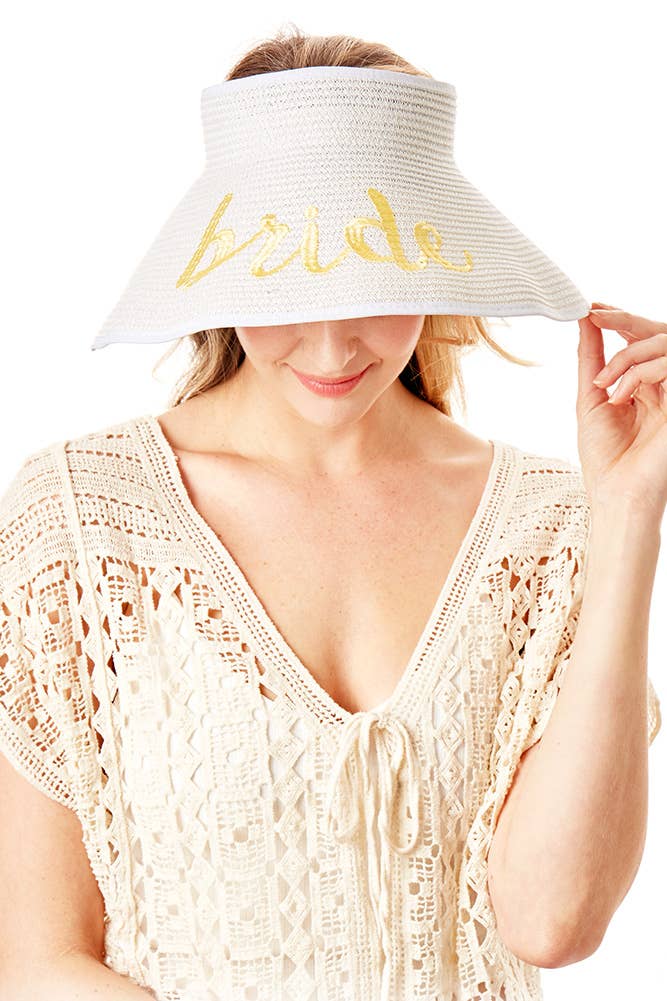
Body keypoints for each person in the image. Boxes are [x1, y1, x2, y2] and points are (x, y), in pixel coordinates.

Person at [0, 26, 664, 1001]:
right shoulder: (80, 519)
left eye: (373, 281)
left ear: (435, 263)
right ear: (218, 269)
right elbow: (35, 961)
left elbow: (551, 921)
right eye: (283, 284)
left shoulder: (549, 526)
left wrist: (628, 514)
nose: (330, 343)